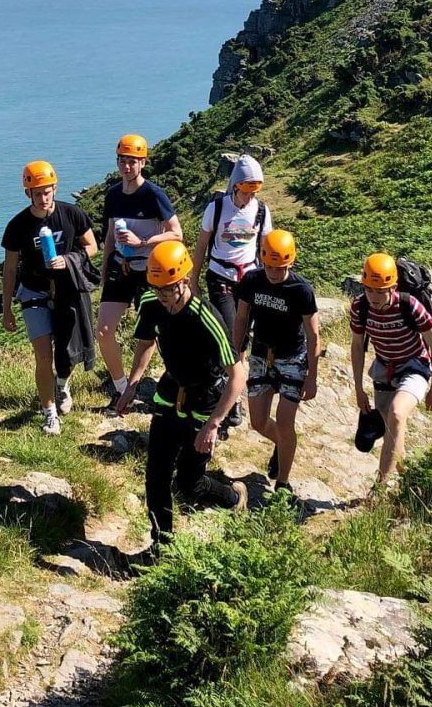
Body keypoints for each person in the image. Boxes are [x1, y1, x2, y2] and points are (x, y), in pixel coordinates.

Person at [114, 242, 248, 546]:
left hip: (204, 400)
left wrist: (214, 424)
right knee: (156, 476)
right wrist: (132, 386)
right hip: (170, 391)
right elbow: (146, 343)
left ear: (185, 281)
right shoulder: (150, 303)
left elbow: (238, 375)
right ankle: (163, 545)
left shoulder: (206, 318)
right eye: (157, 287)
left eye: (168, 288)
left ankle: (233, 498)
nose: (161, 295)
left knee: (188, 483)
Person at [0, 161, 98, 436]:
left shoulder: (72, 214)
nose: (43, 198)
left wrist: (67, 260)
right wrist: (6, 308)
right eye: (36, 193)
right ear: (27, 193)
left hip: (66, 290)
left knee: (65, 353)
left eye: (47, 192)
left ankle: (62, 384)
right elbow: (9, 269)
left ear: (55, 188)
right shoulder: (18, 225)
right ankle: (50, 413)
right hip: (33, 292)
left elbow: (92, 246)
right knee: (43, 355)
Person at [96, 134, 183, 413]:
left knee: (148, 334)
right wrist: (105, 262)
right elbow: (110, 233)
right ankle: (122, 387)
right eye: (123, 160)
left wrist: (143, 243)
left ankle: (133, 386)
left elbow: (176, 233)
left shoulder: (154, 195)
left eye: (133, 161)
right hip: (120, 268)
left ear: (143, 163)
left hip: (149, 271)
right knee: (103, 331)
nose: (127, 166)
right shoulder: (112, 195)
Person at [233, 229, 320, 493]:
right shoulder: (252, 281)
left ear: (290, 262)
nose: (273, 272)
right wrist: (237, 353)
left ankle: (283, 482)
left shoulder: (301, 290)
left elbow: (313, 335)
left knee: (285, 422)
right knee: (258, 422)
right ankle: (283, 446)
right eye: (269, 266)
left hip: (292, 358)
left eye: (279, 267)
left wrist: (312, 377)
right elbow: (241, 318)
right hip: (261, 355)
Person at [190, 153, 271, 430]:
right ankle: (232, 397)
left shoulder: (261, 211)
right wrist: (193, 279)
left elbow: (265, 249)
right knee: (228, 334)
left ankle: (231, 389)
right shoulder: (217, 208)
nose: (249, 197)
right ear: (235, 186)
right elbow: (201, 246)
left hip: (248, 280)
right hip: (220, 277)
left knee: (241, 339)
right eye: (245, 190)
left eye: (253, 192)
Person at [350, 252, 432, 485]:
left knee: (397, 413)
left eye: (379, 291)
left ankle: (380, 487)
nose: (373, 296)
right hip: (384, 369)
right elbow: (356, 346)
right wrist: (359, 388)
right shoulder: (360, 307)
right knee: (393, 429)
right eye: (369, 289)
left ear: (392, 287)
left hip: (415, 366)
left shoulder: (409, 305)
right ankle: (408, 483)